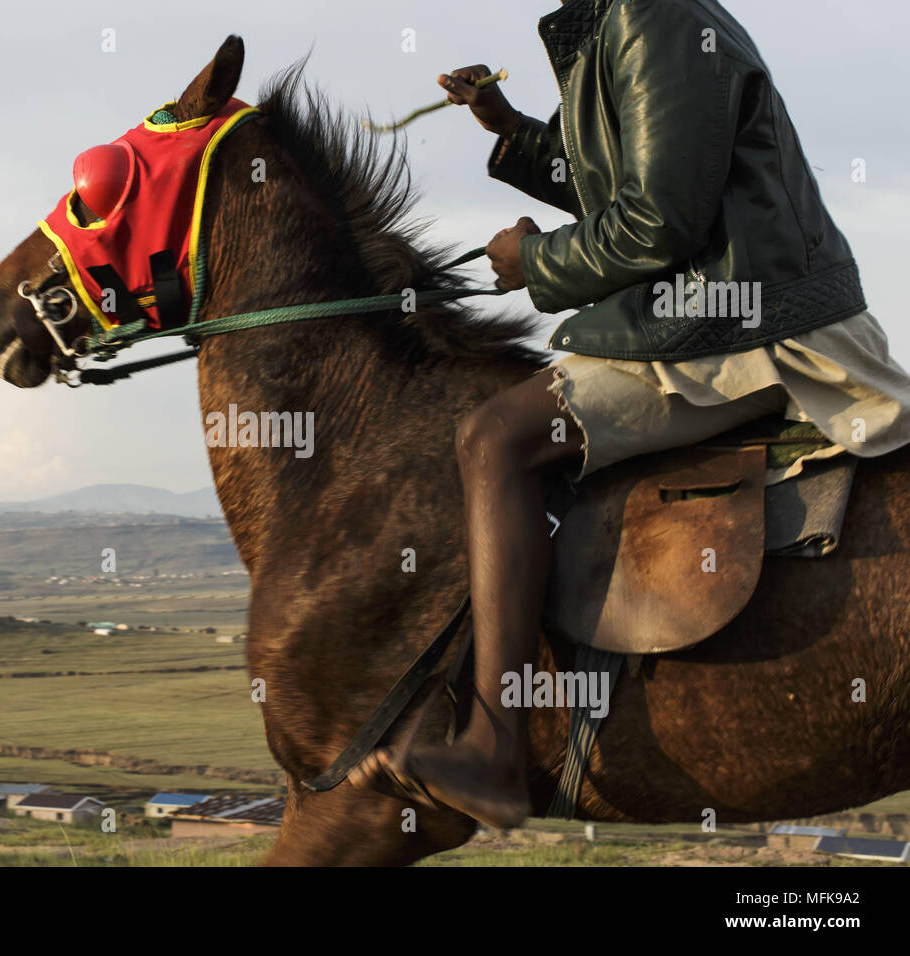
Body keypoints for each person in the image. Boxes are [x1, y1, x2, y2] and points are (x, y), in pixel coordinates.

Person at [350, 0, 910, 828]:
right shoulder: (627, 23)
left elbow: (655, 223)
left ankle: (493, 748)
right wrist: (509, 129)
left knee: (495, 438)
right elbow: (627, 185)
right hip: (721, 310)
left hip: (750, 327)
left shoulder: (659, 21)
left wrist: (532, 260)